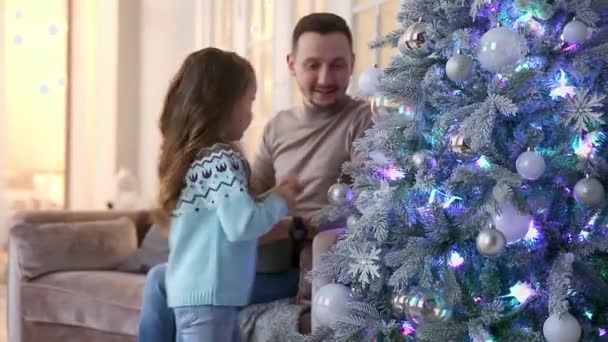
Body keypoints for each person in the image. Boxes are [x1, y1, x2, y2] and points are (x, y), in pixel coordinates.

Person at [137, 13, 373, 341]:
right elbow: (245, 202)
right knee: (161, 280)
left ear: (352, 63)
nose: (324, 77)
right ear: (291, 64)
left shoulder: (362, 120)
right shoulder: (277, 127)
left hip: (306, 265)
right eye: (312, 65)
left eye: (337, 65)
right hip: (259, 251)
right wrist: (276, 219)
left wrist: (298, 226)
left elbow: (371, 203)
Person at [155, 47, 302, 341]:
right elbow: (242, 225)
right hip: (212, 297)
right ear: (222, 105)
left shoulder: (198, 158)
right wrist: (281, 199)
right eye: (248, 102)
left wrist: (270, 195)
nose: (250, 114)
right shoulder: (220, 158)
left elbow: (226, 217)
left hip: (194, 295)